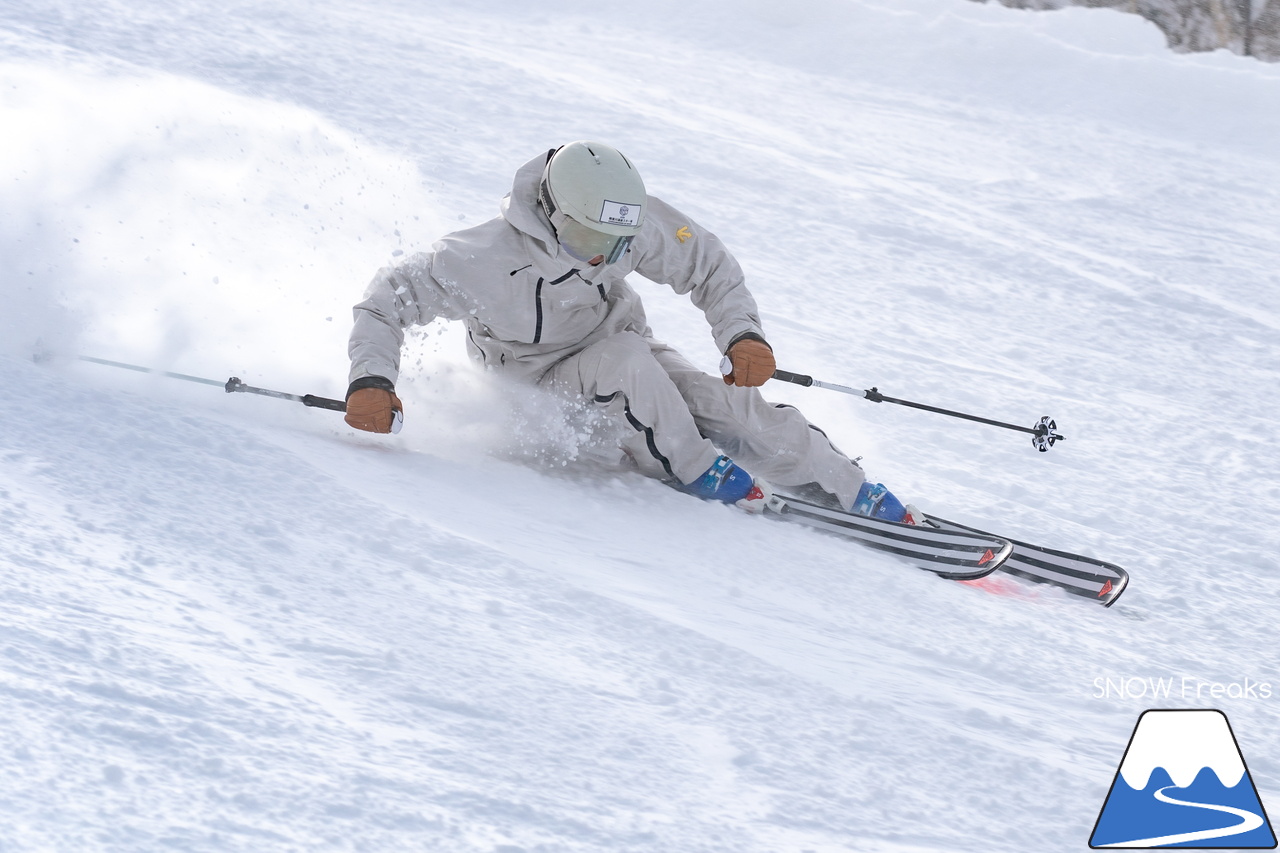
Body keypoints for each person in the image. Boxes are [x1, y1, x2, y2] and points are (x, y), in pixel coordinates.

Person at [344, 141, 915, 522]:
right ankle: (698, 470)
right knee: (626, 365)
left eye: (616, 246)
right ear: (551, 214)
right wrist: (370, 380)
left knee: (723, 402)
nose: (604, 258)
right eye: (591, 241)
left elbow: (708, 264)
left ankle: (844, 487)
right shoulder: (478, 258)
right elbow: (382, 304)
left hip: (623, 350)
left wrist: (743, 337)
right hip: (537, 385)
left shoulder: (623, 221)